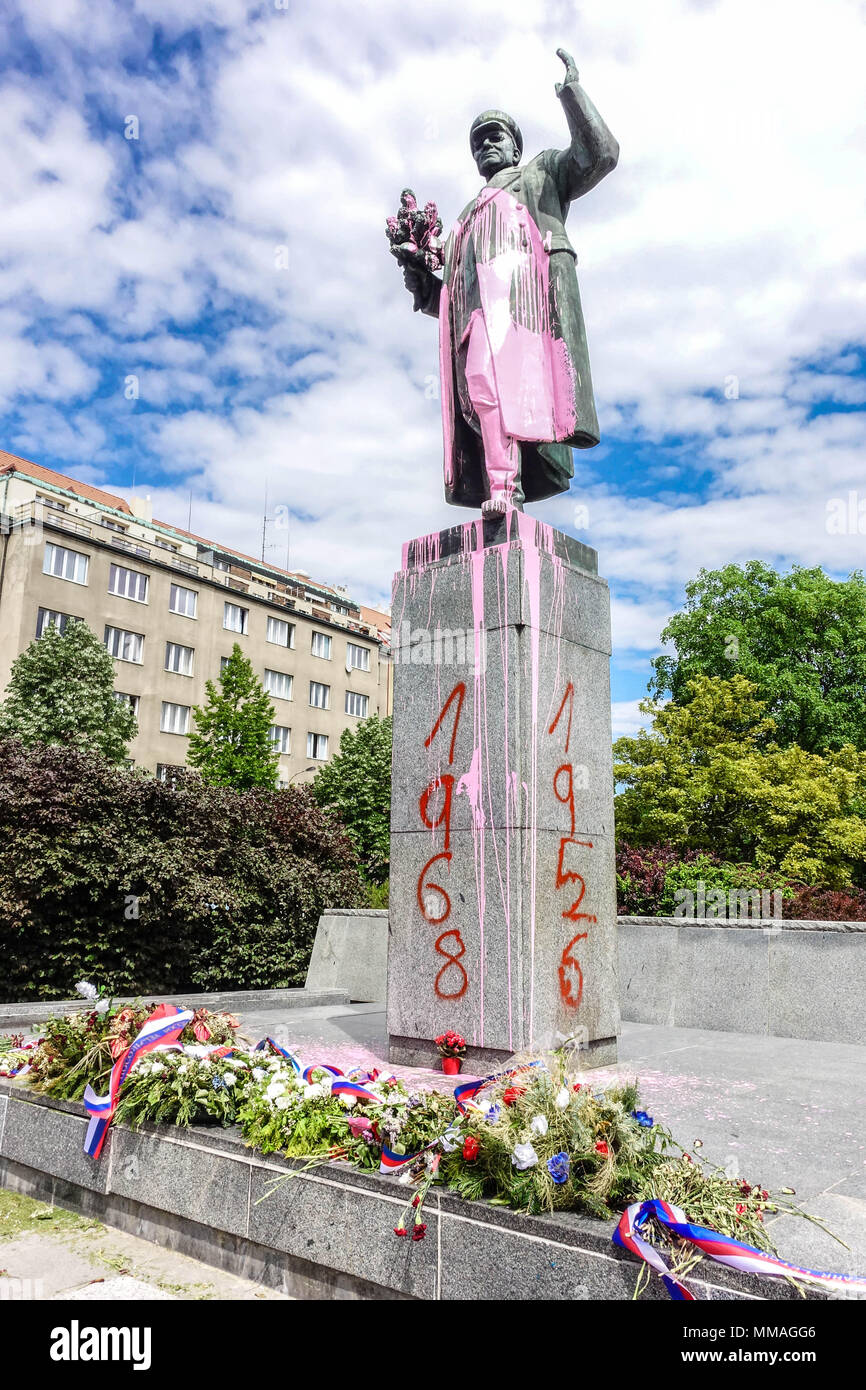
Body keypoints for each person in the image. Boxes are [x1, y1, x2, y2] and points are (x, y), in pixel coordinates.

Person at [400, 49, 618, 514]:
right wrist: (420, 276)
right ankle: (503, 484)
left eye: (494, 136)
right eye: (477, 141)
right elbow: (454, 298)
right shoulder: (465, 217)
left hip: (525, 320)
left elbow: (599, 155)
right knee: (479, 388)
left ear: (515, 147)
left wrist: (572, 95)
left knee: (490, 381)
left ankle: (505, 486)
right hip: (479, 321)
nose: (485, 146)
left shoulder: (539, 175)